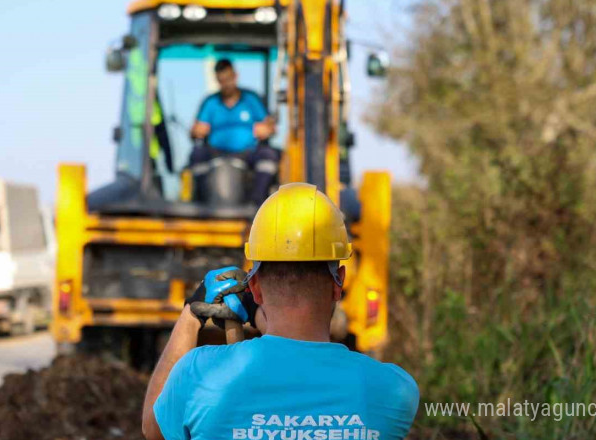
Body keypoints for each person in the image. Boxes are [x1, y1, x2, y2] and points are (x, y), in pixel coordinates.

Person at [142, 183, 420, 440]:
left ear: (256, 287)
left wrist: (191, 315)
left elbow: (153, 430)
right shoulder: (392, 390)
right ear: (339, 283)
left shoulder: (198, 373)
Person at [189, 58, 279, 205]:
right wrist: (196, 131)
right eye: (222, 80)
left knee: (268, 155)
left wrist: (267, 129)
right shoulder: (210, 102)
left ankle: (257, 203)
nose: (226, 84)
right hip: (216, 152)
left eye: (228, 78)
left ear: (235, 76)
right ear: (217, 80)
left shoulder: (251, 99)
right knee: (197, 154)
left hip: (247, 152)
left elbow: (270, 127)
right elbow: (194, 131)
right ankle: (202, 203)